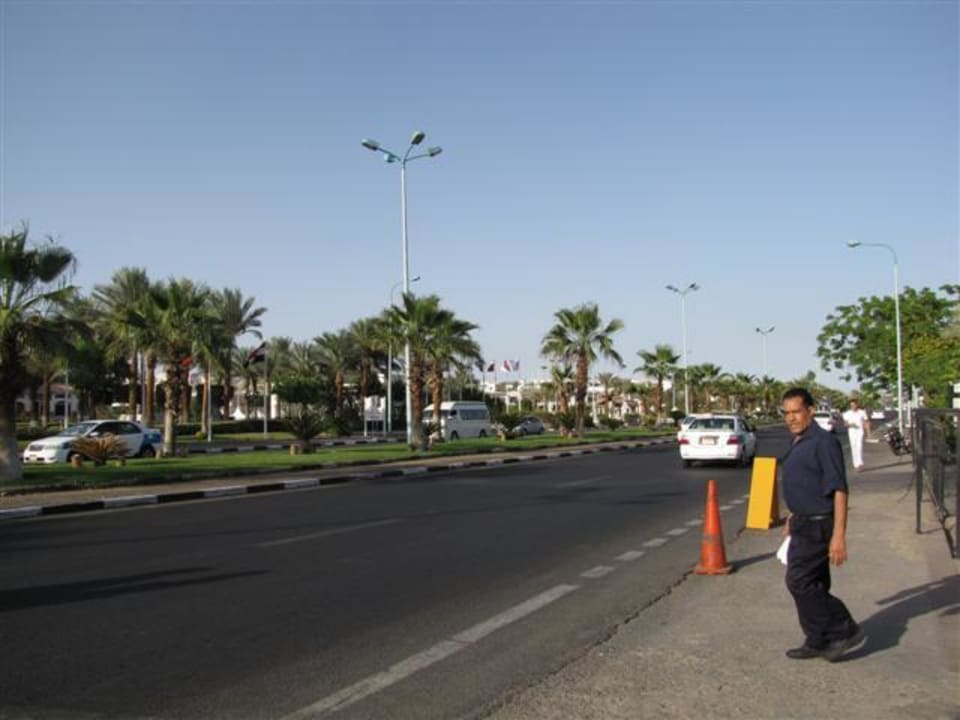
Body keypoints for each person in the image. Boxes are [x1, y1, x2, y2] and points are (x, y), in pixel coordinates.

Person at [780, 387, 864, 662]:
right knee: (814, 583)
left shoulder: (823, 442)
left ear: (810, 410)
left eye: (796, 412)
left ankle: (844, 627)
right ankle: (817, 639)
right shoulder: (799, 440)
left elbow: (839, 489)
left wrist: (839, 535)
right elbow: (807, 483)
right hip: (803, 522)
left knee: (799, 581)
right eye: (787, 413)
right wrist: (793, 516)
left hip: (819, 525)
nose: (791, 418)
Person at [841, 398, 871, 471]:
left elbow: (866, 422)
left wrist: (868, 433)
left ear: (857, 405)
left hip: (860, 432)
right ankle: (856, 464)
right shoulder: (847, 413)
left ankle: (860, 464)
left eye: (854, 405)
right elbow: (845, 424)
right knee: (854, 447)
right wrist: (850, 424)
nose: (853, 407)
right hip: (852, 432)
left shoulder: (862, 412)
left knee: (859, 446)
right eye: (851, 405)